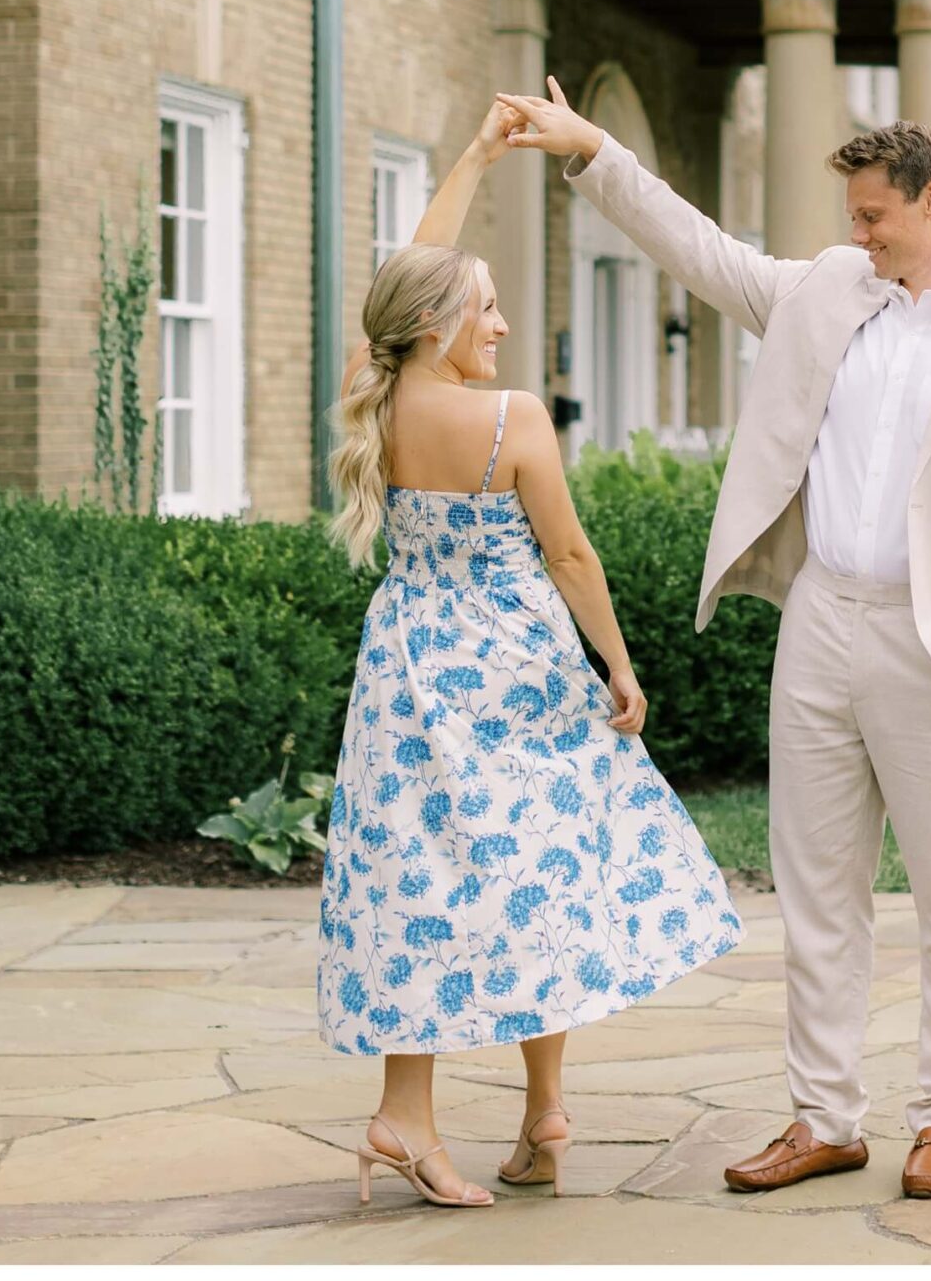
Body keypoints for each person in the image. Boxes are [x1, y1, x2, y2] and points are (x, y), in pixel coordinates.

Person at [500, 78, 931, 1203]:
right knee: (816, 888)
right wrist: (592, 151)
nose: (855, 234)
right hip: (822, 622)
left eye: (872, 215)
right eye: (851, 218)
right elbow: (702, 249)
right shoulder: (831, 289)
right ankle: (825, 1117)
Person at [316, 99, 745, 1210]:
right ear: (439, 324)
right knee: (541, 862)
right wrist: (620, 663)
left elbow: (411, 272)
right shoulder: (509, 420)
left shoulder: (382, 393)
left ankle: (500, 1115)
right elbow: (569, 551)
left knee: (427, 875)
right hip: (516, 663)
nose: (502, 326)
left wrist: (467, 158)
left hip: (410, 659)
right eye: (487, 309)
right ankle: (482, 1111)